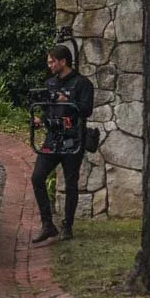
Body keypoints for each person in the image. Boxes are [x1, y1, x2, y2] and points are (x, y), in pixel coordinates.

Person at [30, 44, 94, 243]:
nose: (49, 65)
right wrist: (41, 120)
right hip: (53, 139)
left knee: (70, 183)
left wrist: (65, 99)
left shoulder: (82, 84)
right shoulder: (50, 83)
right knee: (37, 177)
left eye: (52, 61)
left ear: (63, 61)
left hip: (73, 139)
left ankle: (68, 225)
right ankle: (48, 224)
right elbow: (47, 109)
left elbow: (86, 110)